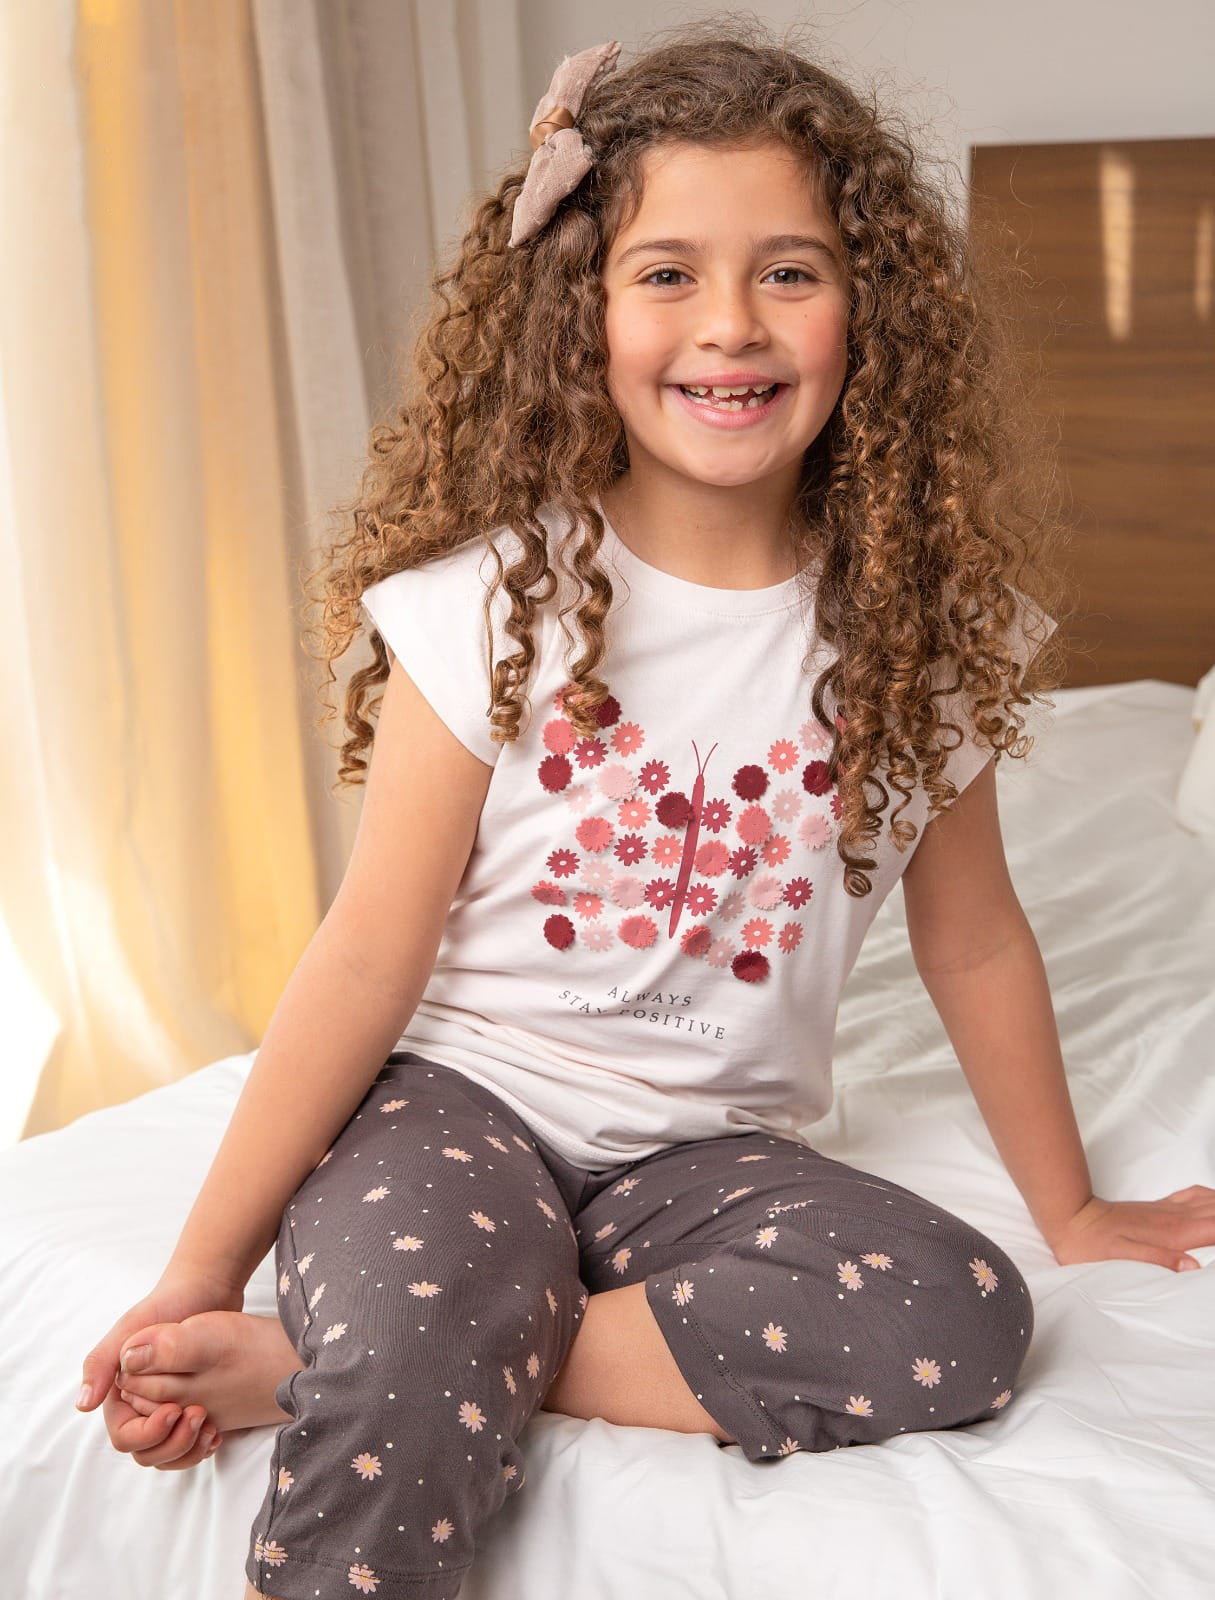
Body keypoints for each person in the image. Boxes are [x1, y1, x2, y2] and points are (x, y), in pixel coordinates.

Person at [73, 22, 1214, 1600]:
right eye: (668, 273)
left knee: (954, 1311)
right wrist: (196, 1272)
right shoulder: (494, 602)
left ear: (872, 310)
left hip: (700, 1156)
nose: (730, 324)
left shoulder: (924, 635)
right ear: (581, 313)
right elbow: (368, 953)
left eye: (791, 272)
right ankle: (395, 1350)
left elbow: (973, 942)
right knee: (416, 1325)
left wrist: (1070, 1209)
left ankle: (339, 1360)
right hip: (456, 1101)